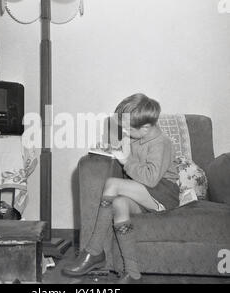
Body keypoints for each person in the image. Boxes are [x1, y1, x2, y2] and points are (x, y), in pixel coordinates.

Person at [62, 93, 180, 283]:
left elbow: (150, 179)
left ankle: (94, 251)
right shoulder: (136, 137)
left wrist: (126, 161)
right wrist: (110, 149)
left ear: (146, 128)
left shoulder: (161, 143)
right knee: (118, 205)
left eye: (127, 129)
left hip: (163, 193)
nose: (124, 132)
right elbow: (126, 153)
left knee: (112, 184)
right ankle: (133, 273)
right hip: (144, 195)